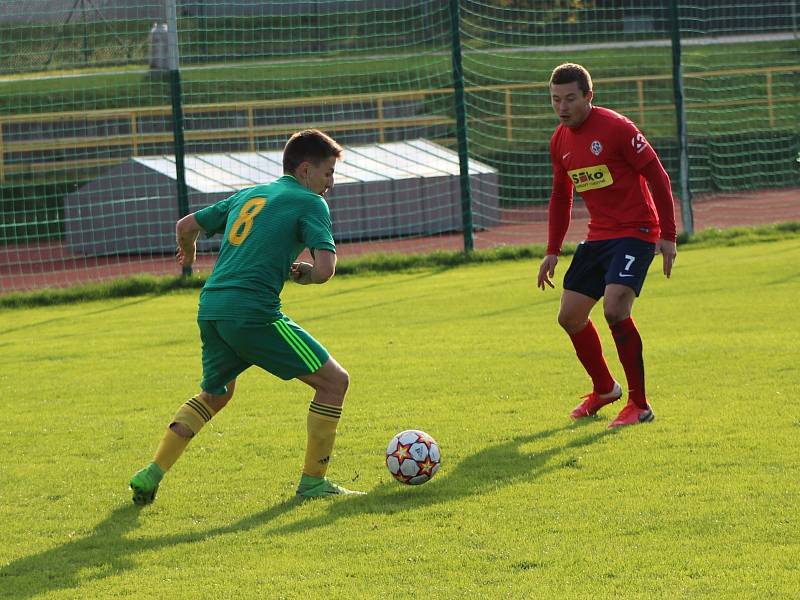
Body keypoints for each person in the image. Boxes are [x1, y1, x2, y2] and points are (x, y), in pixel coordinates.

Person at [129, 129, 364, 504]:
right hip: (252, 312)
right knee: (335, 382)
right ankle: (313, 483)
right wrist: (306, 274)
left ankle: (151, 472)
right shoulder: (310, 202)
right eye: (328, 174)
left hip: (212, 308)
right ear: (305, 171)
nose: (331, 184)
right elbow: (325, 269)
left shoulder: (250, 194)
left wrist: (188, 259)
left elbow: (185, 227)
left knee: (215, 394)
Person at [537, 63, 677, 428]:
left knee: (615, 308)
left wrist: (668, 235)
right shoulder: (559, 140)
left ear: (588, 96)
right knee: (569, 316)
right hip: (599, 235)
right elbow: (559, 196)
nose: (562, 107)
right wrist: (553, 249)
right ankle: (604, 389)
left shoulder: (617, 128)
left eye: (570, 98)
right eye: (555, 100)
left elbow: (658, 176)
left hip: (638, 230)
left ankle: (640, 404)